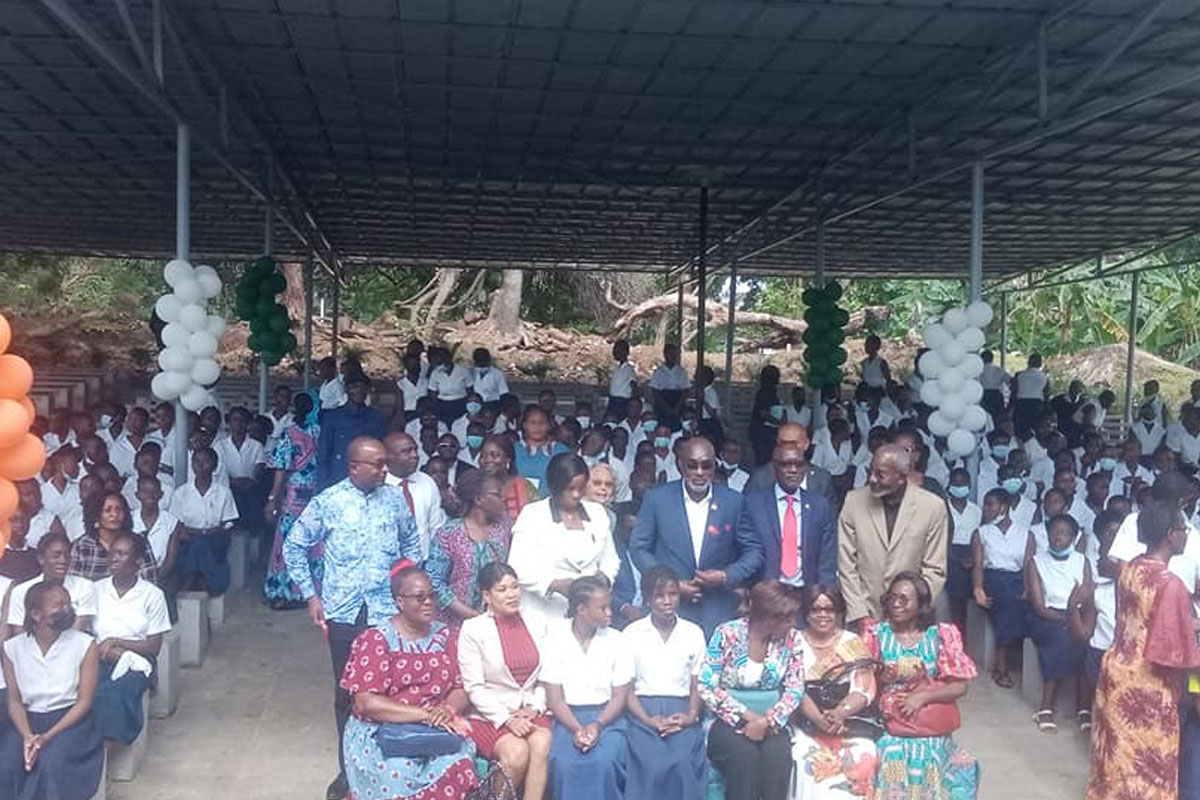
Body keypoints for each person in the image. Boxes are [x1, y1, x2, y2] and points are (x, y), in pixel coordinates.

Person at [284, 436, 421, 800]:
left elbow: (412, 545)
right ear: (354, 466)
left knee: (389, 690)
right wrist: (311, 594)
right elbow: (293, 544)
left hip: (388, 614)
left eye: (384, 462)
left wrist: (408, 587)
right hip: (343, 613)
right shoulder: (328, 502)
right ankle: (349, 772)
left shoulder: (393, 499)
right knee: (348, 694)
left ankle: (384, 763)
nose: (384, 469)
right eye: (376, 464)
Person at [1087, 500, 1200, 800]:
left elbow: (1142, 617)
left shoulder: (1128, 568)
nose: (1187, 534)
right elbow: (1172, 649)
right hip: (1148, 684)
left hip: (1116, 670)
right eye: (1184, 528)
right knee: (1150, 767)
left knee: (1117, 762)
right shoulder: (1171, 584)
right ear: (1170, 535)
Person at [339, 566, 478, 800]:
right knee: (398, 776)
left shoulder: (447, 637)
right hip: (382, 733)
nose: (428, 602)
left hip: (435, 729)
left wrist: (447, 709)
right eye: (419, 597)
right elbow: (365, 703)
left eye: (432, 595)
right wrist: (422, 714)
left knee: (459, 766)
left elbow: (461, 686)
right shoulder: (377, 640)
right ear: (399, 601)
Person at [629, 435, 762, 637]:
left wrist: (726, 575)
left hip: (718, 609)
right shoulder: (657, 499)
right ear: (681, 465)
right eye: (692, 466)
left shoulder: (733, 501)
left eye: (706, 466)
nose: (699, 473)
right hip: (670, 609)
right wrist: (669, 583)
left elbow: (753, 551)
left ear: (714, 466)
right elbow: (639, 547)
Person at [861, 572, 978, 799]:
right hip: (890, 726)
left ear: (921, 604)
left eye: (904, 599)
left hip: (929, 724)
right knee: (892, 753)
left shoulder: (941, 636)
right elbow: (862, 685)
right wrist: (880, 680)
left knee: (932, 754)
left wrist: (921, 697)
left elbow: (959, 687)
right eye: (891, 598)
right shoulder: (875, 634)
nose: (896, 604)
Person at [699, 580, 805, 800]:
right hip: (726, 721)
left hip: (772, 722)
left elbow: (795, 687)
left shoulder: (793, 638)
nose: (792, 623)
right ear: (766, 616)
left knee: (778, 756)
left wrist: (768, 721)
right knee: (744, 757)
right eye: (786, 618)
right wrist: (747, 717)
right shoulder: (727, 633)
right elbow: (707, 685)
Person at [0, 582, 103, 800]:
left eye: (68, 603)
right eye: (59, 605)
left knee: (51, 764)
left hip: (69, 723)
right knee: (6, 765)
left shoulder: (85, 645)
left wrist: (46, 737)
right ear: (35, 614)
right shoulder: (13, 648)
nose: (67, 609)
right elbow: (14, 701)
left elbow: (84, 702)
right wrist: (28, 736)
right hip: (26, 722)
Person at [457, 563, 552, 800]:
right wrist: (507, 719)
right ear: (487, 596)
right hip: (490, 715)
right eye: (502, 589)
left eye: (515, 587)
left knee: (542, 741)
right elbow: (474, 687)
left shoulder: (538, 622)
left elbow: (547, 677)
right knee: (516, 752)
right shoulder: (473, 630)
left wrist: (534, 707)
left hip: (529, 710)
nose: (512, 594)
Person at [541, 576, 633, 800]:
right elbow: (555, 698)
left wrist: (597, 725)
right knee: (564, 764)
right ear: (581, 609)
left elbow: (620, 696)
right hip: (567, 718)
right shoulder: (555, 637)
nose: (610, 613)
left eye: (609, 606)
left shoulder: (618, 640)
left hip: (607, 718)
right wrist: (576, 729)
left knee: (604, 763)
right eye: (602, 608)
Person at [837, 444, 948, 626]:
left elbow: (935, 569)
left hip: (912, 620)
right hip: (864, 614)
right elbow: (846, 565)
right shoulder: (853, 501)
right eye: (870, 471)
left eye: (881, 474)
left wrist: (911, 611)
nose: (872, 479)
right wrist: (859, 613)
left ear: (902, 477)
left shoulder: (932, 507)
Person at [621, 566, 707, 800]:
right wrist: (648, 720)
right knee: (650, 764)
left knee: (682, 762)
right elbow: (626, 689)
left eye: (673, 594)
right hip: (642, 711)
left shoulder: (693, 632)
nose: (667, 601)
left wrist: (690, 715)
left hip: (681, 710)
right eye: (659, 596)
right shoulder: (632, 633)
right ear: (648, 599)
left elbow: (698, 681)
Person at [507, 453, 619, 630]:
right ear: (554, 487)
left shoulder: (597, 513)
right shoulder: (533, 515)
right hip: (544, 613)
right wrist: (554, 585)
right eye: (570, 489)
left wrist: (603, 580)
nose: (576, 495)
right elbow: (517, 566)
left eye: (581, 489)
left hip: (587, 615)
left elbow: (610, 560)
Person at [788, 585, 879, 800]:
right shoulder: (792, 641)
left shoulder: (852, 641)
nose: (822, 615)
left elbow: (864, 688)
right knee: (805, 757)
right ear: (806, 613)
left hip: (847, 721)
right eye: (815, 609)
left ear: (838, 612)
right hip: (805, 722)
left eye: (829, 610)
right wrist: (819, 719)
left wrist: (839, 713)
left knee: (862, 753)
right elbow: (792, 687)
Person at [91, 532, 170, 745]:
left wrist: (119, 643)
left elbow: (154, 647)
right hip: (98, 657)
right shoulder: (96, 589)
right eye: (112, 552)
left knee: (112, 696)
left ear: (136, 562)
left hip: (136, 662)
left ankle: (104, 752)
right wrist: (102, 649)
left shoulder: (152, 595)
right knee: (81, 693)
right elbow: (84, 632)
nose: (114, 558)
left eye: (122, 553)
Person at [741, 442, 838, 591]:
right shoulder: (752, 504)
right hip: (766, 593)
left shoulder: (820, 506)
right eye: (786, 464)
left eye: (799, 465)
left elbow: (827, 558)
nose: (793, 470)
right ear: (774, 467)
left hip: (807, 593)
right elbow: (744, 551)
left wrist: (825, 594)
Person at [1026, 514, 1089, 733]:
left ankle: (1083, 707)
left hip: (1077, 615)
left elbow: (1087, 595)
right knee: (1060, 640)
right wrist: (1066, 621)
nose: (1057, 537)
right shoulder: (1036, 561)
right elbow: (1038, 605)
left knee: (1089, 642)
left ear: (1073, 537)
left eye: (1063, 533)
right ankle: (1046, 706)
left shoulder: (1082, 560)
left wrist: (1075, 620)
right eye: (1053, 532)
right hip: (1047, 616)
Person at [425, 470, 512, 629]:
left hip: (497, 621)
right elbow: (434, 581)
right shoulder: (449, 533)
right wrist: (471, 615)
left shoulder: (504, 528)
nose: (503, 498)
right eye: (497, 494)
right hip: (454, 624)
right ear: (479, 499)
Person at [264, 391, 322, 610]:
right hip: (314, 491)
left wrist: (273, 498)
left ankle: (283, 592)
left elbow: (281, 469)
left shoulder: (290, 433)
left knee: (289, 542)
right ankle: (308, 593)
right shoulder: (320, 432)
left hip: (295, 492)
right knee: (313, 543)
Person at [970, 487, 1028, 688]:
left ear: (1003, 507)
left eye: (989, 504)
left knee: (1021, 601)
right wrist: (978, 589)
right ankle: (1001, 667)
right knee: (1007, 601)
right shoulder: (981, 533)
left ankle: (1006, 662)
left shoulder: (1025, 534)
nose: (985, 509)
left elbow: (1029, 565)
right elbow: (978, 565)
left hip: (1018, 578)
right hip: (993, 579)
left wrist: (1028, 589)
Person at [168, 447, 238, 595]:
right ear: (192, 465)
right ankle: (210, 583)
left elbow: (229, 522)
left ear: (214, 466)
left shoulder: (224, 492)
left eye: (206, 461)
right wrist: (198, 532)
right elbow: (176, 524)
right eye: (197, 461)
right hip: (188, 539)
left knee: (201, 546)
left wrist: (218, 530)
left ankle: (189, 581)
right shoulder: (181, 493)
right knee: (197, 545)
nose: (201, 466)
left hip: (215, 539)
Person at [6, 532, 97, 637]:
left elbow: (77, 632)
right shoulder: (21, 591)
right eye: (56, 556)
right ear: (41, 559)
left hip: (73, 650)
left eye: (67, 556)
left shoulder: (84, 587)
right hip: (30, 650)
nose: (63, 560)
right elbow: (19, 635)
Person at [383, 432, 446, 561]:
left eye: (415, 449)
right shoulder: (378, 485)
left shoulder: (427, 482)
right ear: (388, 457)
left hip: (423, 563)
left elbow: (436, 528)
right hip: (386, 566)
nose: (415, 455)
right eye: (406, 451)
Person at [69, 491, 157, 583]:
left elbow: (150, 581)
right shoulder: (82, 545)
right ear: (96, 515)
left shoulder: (138, 542)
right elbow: (75, 585)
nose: (114, 515)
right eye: (107, 510)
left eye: (119, 510)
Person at [317, 376, 387, 489]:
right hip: (337, 477)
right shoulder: (332, 417)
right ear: (346, 389)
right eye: (354, 387)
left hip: (367, 478)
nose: (359, 390)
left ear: (368, 390)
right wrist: (322, 485)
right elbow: (323, 454)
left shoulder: (376, 417)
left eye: (363, 387)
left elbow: (381, 451)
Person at [747, 423, 836, 505]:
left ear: (806, 444)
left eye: (795, 443)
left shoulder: (821, 479)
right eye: (784, 443)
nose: (789, 448)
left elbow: (829, 518)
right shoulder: (761, 477)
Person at [478, 434, 540, 523]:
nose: (488, 460)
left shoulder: (526, 486)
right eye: (483, 455)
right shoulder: (474, 487)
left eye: (494, 455)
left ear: (508, 459)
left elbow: (538, 519)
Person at [648, 343, 690, 432]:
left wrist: (677, 407)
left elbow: (686, 390)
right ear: (665, 354)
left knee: (678, 428)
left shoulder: (682, 372)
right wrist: (666, 407)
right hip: (662, 402)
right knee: (662, 427)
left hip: (678, 402)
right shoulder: (658, 372)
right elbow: (654, 391)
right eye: (670, 353)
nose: (673, 356)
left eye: (675, 353)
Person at [749, 365, 783, 466]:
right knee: (764, 461)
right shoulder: (766, 393)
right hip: (763, 433)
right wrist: (779, 423)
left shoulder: (770, 392)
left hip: (765, 431)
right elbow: (764, 413)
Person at [1011, 353, 1048, 440]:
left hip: (1021, 404)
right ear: (1040, 364)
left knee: (1020, 428)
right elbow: (1046, 394)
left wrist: (1011, 404)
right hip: (1036, 405)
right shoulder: (1044, 377)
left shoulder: (1019, 375)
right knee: (1034, 428)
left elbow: (1014, 391)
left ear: (1028, 362)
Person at [607, 339, 637, 420]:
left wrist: (632, 404)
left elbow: (633, 385)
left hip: (623, 402)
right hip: (613, 400)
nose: (615, 353)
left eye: (619, 350)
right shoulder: (615, 367)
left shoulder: (628, 369)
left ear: (626, 353)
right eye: (615, 350)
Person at [978, 350, 1008, 420]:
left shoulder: (979, 370)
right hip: (996, 395)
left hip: (983, 395)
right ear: (992, 359)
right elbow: (1011, 380)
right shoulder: (999, 370)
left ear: (982, 358)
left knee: (983, 417)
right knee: (996, 418)